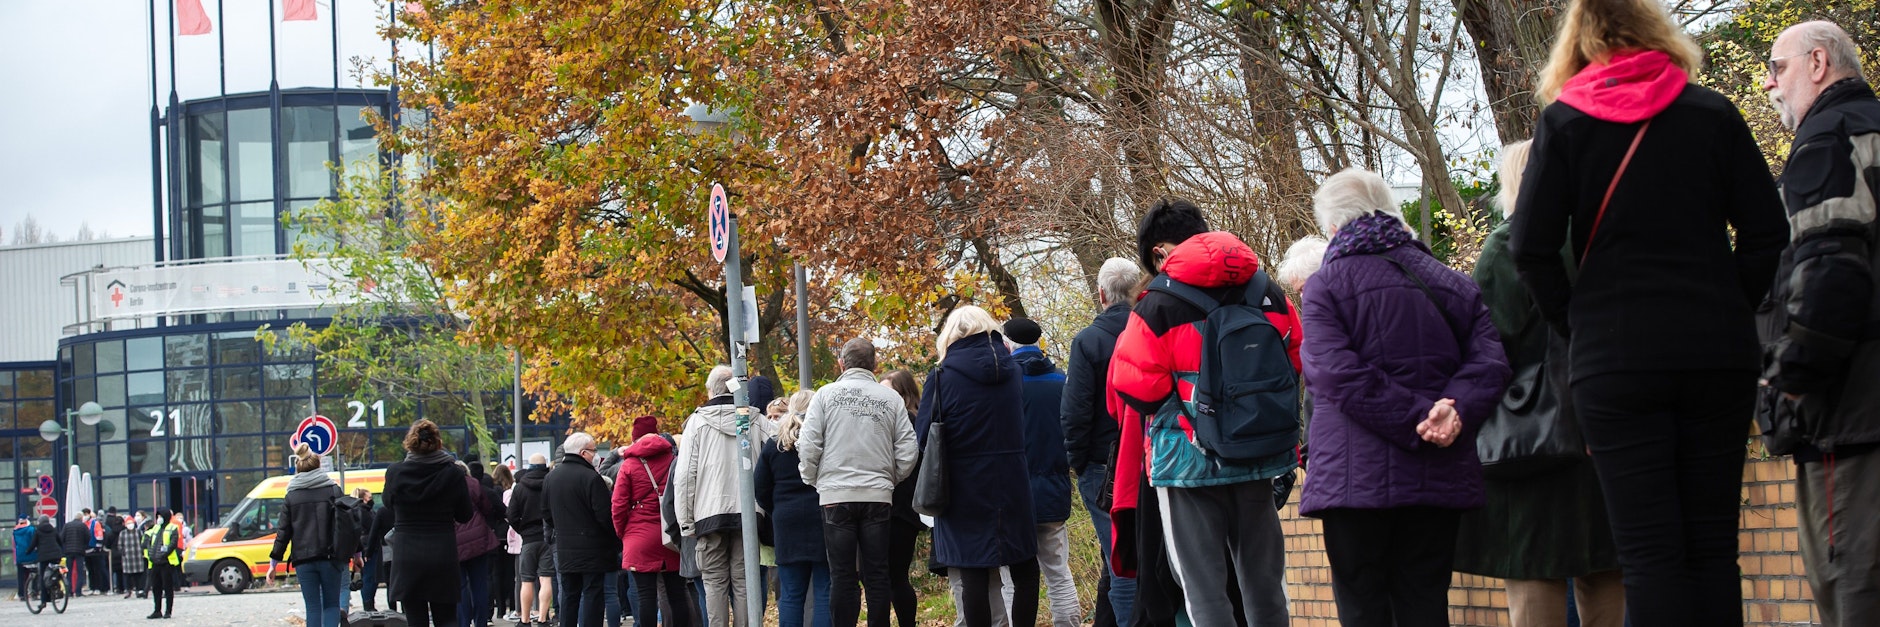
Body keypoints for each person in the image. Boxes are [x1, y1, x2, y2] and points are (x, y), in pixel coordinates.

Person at [1511, 1, 1789, 623]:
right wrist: (1729, 304)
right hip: (1715, 353)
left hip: (1616, 359)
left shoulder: (1565, 124)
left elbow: (1530, 249)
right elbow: (1769, 232)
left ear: (1578, 43)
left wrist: (1578, 324)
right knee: (1713, 549)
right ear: (1659, 33)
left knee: (1648, 555)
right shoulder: (1711, 113)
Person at [1299, 168, 1510, 626]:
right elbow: (1491, 363)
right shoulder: (1452, 282)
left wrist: (1417, 417)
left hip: (1355, 482)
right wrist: (1450, 412)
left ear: (1334, 228)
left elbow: (1333, 372)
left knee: (1363, 606)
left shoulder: (1326, 285)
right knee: (1425, 602)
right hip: (1437, 475)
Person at [1453, 141, 1624, 627]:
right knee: (1607, 569)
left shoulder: (1511, 245)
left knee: (1534, 577)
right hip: (1605, 427)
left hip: (1531, 441)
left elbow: (1488, 351)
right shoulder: (1608, 235)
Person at [1108, 199, 1303, 626]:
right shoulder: (1265, 291)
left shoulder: (1157, 304)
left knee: (1204, 593)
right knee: (1266, 586)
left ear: (1158, 252)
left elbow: (1131, 386)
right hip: (1258, 455)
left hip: (1187, 465)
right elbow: (1296, 357)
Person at [1758, 20, 1880, 627]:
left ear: (1817, 63)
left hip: (1849, 415)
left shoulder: (1826, 140)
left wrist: (1788, 380)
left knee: (1851, 584)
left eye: (1776, 69)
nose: (1770, 86)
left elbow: (1830, 273)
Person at [920, 306, 1039, 627]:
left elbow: (923, 438)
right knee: (1025, 567)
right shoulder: (1013, 371)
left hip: (962, 488)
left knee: (972, 571)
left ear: (950, 336)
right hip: (1013, 482)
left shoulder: (942, 376)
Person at [797, 339, 918, 627]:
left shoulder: (825, 396)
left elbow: (809, 443)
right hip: (878, 495)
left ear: (842, 363)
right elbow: (908, 449)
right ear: (874, 365)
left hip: (836, 494)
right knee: (877, 574)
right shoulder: (891, 400)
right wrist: (891, 478)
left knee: (842, 575)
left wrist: (814, 479)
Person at [1059, 257, 1141, 627]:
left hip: (1104, 466)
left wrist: (1077, 461)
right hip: (1151, 458)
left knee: (1121, 562)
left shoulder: (1089, 342)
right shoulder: (1151, 330)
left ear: (1102, 294)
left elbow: (1075, 411)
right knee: (1142, 557)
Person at [674, 365, 776, 627]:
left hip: (708, 514)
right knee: (744, 582)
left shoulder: (696, 423)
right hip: (749, 513)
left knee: (714, 584)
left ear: (710, 390)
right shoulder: (755, 420)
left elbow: (685, 475)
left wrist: (686, 521)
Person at [1001, 319, 1080, 627]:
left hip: (1013, 492)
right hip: (1054, 487)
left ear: (1008, 344)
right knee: (1058, 573)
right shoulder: (1061, 381)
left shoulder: (1004, 384)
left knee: (1012, 579)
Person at [384, 419, 475, 627]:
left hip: (407, 554)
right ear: (438, 442)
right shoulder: (453, 473)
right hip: (442, 553)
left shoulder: (395, 472)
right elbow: (465, 515)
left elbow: (389, 504)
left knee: (415, 619)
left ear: (410, 442)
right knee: (447, 619)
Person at [757, 390, 834, 627]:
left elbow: (759, 487)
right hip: (822, 517)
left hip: (786, 521)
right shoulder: (826, 441)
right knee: (824, 590)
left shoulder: (775, 445)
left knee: (790, 595)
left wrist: (777, 508)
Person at [614, 416, 700, 627]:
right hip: (672, 534)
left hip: (639, 536)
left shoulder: (629, 465)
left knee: (645, 596)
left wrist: (623, 533)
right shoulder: (674, 460)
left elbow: (618, 504)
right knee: (677, 593)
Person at [273, 443, 351, 627]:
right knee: (331, 604)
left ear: (299, 467)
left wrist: (274, 561)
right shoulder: (333, 490)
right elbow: (346, 524)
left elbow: (283, 531)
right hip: (331, 557)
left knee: (313, 607)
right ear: (318, 466)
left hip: (303, 560)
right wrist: (356, 554)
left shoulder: (291, 496)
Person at [547, 432, 620, 627]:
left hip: (564, 547)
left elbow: (546, 514)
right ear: (583, 453)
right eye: (594, 450)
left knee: (569, 595)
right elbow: (604, 516)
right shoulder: (591, 478)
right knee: (593, 594)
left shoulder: (551, 478)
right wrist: (615, 542)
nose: (596, 455)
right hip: (593, 549)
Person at [459, 461, 507, 627]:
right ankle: (482, 621)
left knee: (461, 586)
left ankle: (464, 622)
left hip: (456, 542)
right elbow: (487, 508)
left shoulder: (446, 484)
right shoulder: (473, 483)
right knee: (480, 583)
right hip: (479, 539)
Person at [510, 453, 555, 627]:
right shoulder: (551, 484)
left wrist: (522, 530)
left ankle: (525, 619)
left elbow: (511, 515)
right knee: (546, 579)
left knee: (527, 580)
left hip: (528, 539)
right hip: (548, 538)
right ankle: (543, 618)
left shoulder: (520, 487)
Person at [145, 509, 184, 619]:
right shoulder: (155, 528)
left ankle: (168, 611)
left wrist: (163, 555)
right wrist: (151, 554)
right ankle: (157, 610)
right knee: (156, 587)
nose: (159, 519)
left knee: (167, 588)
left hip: (166, 562)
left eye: (160, 516)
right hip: (154, 562)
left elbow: (172, 544)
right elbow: (149, 541)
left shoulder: (173, 528)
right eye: (157, 516)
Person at [493, 464, 520, 623]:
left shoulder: (493, 491)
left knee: (497, 573)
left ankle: (500, 608)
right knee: (510, 573)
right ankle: (512, 605)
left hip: (496, 535)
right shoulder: (510, 491)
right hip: (510, 535)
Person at [60, 509, 90, 596]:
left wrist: (66, 546)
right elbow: (88, 537)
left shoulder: (67, 525)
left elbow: (61, 537)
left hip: (68, 551)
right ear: (81, 518)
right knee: (80, 571)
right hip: (79, 551)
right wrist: (84, 545)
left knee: (69, 571)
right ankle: (78, 591)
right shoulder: (83, 526)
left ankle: (69, 591)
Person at [14, 517, 37, 602]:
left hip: (20, 556)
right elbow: (34, 541)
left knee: (21, 576)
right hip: (31, 555)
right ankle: (34, 592)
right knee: (34, 574)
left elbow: (15, 543)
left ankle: (22, 594)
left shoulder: (15, 531)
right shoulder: (31, 529)